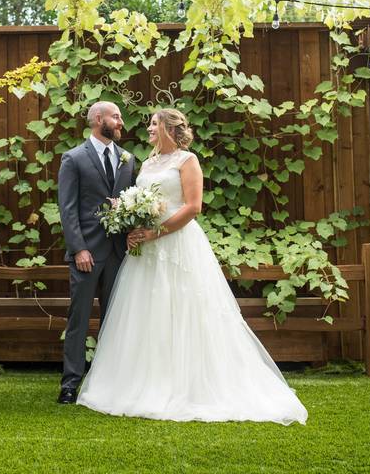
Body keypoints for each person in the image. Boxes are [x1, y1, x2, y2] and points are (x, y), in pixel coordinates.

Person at [76, 107, 308, 425]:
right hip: (146, 248)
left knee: (184, 308)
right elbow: (140, 201)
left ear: (170, 128)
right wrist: (134, 227)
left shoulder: (188, 161)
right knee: (148, 313)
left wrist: (157, 231)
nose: (148, 129)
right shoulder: (147, 162)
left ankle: (189, 384)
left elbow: (193, 206)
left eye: (154, 124)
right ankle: (144, 382)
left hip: (177, 243)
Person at [56, 101, 136, 404]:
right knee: (78, 319)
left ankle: (108, 384)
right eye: (116, 117)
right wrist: (79, 249)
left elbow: (131, 202)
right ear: (98, 119)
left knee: (115, 320)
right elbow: (68, 209)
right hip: (87, 254)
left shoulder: (128, 160)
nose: (120, 122)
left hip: (119, 253)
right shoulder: (73, 159)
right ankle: (70, 384)